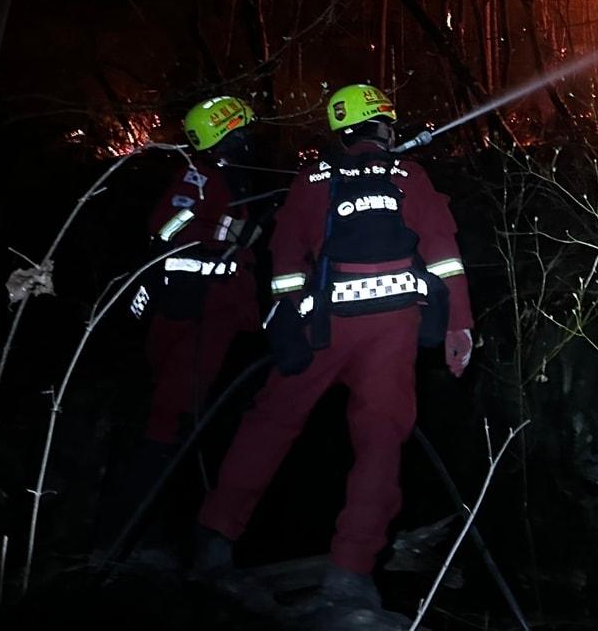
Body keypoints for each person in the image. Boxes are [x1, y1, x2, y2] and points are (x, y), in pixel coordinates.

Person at [193, 83, 474, 613]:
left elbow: (285, 257)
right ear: (383, 124)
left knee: (270, 423)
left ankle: (214, 541)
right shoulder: (408, 175)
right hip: (392, 330)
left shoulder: (312, 178)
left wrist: (286, 319)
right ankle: (350, 576)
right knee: (379, 445)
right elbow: (444, 255)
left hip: (321, 326)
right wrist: (459, 325)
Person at [96, 94, 269, 562]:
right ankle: (138, 538)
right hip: (193, 313)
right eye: (242, 132)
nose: (249, 140)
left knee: (187, 421)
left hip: (214, 316)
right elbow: (167, 227)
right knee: (171, 422)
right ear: (227, 136)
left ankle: (165, 536)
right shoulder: (200, 177)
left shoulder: (223, 176)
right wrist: (226, 234)